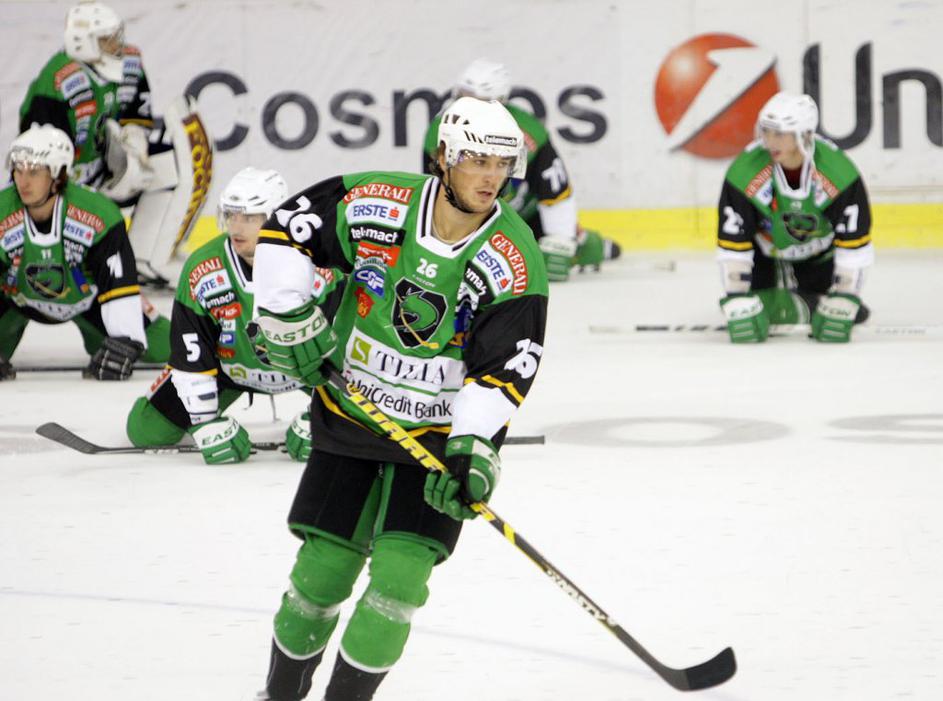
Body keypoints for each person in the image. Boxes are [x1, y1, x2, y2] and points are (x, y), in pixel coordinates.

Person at [249, 96, 548, 700]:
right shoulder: (377, 202)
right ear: (444, 157)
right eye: (477, 160)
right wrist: (285, 313)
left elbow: (502, 371)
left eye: (502, 164)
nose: (491, 177)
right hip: (351, 414)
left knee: (399, 585)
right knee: (321, 575)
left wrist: (473, 447)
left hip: (434, 444)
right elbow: (287, 228)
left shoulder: (515, 258)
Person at [126, 167, 339, 464]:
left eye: (249, 218)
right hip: (229, 372)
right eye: (231, 215)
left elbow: (347, 348)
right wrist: (205, 423)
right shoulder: (203, 267)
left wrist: (325, 420)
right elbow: (190, 352)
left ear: (276, 216)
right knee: (145, 429)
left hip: (307, 372)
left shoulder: (321, 263)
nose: (236, 227)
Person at [422, 58, 620, 282]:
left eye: (481, 100)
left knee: (555, 254)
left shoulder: (529, 132)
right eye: (464, 96)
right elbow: (435, 193)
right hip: (472, 220)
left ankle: (589, 245)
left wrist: (561, 239)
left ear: (501, 101)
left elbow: (555, 189)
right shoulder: (439, 132)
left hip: (525, 219)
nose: (470, 106)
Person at [0, 124, 169, 380]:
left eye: (34, 171)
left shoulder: (98, 214)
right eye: (18, 170)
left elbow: (119, 283)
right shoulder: (3, 211)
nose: (23, 181)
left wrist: (126, 339)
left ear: (58, 175)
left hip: (87, 302)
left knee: (165, 347)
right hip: (16, 301)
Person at [716, 91, 874, 343]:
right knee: (767, 311)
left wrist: (845, 296)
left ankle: (808, 298)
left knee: (836, 310)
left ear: (806, 134)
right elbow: (734, 242)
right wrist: (736, 297)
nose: (769, 141)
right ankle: (791, 300)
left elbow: (854, 242)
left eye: (779, 134)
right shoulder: (744, 172)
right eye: (766, 131)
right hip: (764, 255)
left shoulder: (839, 173)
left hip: (818, 254)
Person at [19, 1, 154, 197]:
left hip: (102, 177)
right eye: (106, 40)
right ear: (81, 42)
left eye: (117, 37)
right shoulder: (58, 83)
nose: (117, 45)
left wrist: (134, 145)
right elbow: (40, 160)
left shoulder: (130, 63)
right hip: (64, 190)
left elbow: (139, 113)